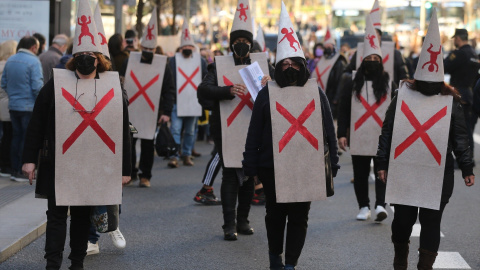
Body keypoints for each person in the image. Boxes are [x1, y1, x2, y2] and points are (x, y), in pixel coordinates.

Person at [21, 1, 131, 269]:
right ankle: (52, 263)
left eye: (92, 54)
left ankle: (77, 262)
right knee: (57, 216)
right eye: (81, 54)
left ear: (100, 59)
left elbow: (122, 130)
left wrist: (125, 169)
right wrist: (29, 159)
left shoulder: (113, 88)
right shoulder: (55, 85)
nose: (86, 59)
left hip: (93, 164)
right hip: (58, 163)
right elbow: (36, 123)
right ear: (74, 57)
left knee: (82, 218)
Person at [243, 3, 339, 269]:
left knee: (299, 217)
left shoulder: (315, 92)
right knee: (275, 215)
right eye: (283, 63)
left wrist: (333, 162)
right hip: (272, 167)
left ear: (302, 64)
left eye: (293, 62)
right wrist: (250, 166)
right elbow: (253, 133)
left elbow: (327, 129)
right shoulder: (266, 94)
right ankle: (275, 256)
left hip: (307, 165)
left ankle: (291, 264)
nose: (289, 67)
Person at [376, 11, 474, 269]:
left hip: (438, 172)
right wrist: (382, 164)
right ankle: (401, 256)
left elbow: (460, 137)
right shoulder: (403, 97)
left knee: (431, 222)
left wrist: (467, 167)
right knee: (403, 221)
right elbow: (387, 131)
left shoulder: (451, 102)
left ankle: (425, 266)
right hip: (404, 169)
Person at [197, 0, 273, 241]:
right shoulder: (217, 67)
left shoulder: (262, 67)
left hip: (254, 129)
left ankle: (243, 220)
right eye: (237, 42)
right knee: (230, 175)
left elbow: (279, 92)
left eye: (245, 42)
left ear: (252, 45)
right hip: (227, 130)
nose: (241, 46)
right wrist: (227, 90)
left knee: (249, 174)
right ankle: (229, 224)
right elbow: (203, 91)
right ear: (231, 44)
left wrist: (270, 82)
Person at [337, 15, 393, 222]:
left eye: (375, 59)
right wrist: (341, 133)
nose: (371, 62)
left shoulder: (389, 83)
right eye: (368, 59)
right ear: (362, 60)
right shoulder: (351, 81)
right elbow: (344, 109)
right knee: (360, 174)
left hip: (382, 135)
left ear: (380, 61)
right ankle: (363, 206)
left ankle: (380, 204)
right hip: (359, 134)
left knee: (382, 170)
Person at [120, 7, 175, 188]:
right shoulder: (130, 61)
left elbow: (169, 89)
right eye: (145, 47)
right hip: (132, 110)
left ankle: (146, 175)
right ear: (141, 46)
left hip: (152, 111)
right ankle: (131, 173)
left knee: (147, 144)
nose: (148, 50)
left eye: (151, 48)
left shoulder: (163, 65)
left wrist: (166, 111)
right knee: (130, 141)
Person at [1, 36, 43, 181]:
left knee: (15, 138)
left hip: (13, 105)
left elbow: (3, 83)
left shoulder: (11, 60)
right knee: (26, 139)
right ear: (33, 47)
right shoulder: (34, 61)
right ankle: (21, 170)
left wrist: (13, 95)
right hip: (28, 106)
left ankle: (14, 169)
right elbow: (37, 87)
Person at [167, 21, 208, 167]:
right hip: (177, 101)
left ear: (193, 47)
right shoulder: (172, 61)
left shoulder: (201, 62)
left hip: (194, 101)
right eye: (184, 46)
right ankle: (174, 155)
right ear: (180, 47)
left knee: (191, 131)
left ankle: (187, 154)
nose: (187, 48)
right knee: (176, 129)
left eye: (189, 46)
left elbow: (205, 79)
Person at [444, 28, 479, 160]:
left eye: (455, 39)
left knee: (457, 129)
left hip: (458, 94)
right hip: (469, 93)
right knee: (467, 128)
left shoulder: (459, 54)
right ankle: (468, 158)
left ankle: (464, 159)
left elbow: (445, 66)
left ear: (458, 38)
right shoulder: (473, 54)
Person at [0, 40, 18, 178]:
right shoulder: (11, 65)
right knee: (10, 136)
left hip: (2, 104)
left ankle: (4, 165)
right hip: (8, 105)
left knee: (5, 136)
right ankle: (8, 166)